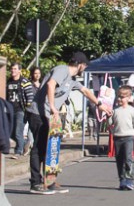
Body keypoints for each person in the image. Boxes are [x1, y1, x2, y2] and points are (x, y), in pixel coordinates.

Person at [29, 52, 110, 194]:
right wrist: (53, 106)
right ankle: (35, 183)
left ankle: (49, 181)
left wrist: (100, 105)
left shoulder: (72, 80)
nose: (84, 69)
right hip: (38, 113)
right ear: (80, 65)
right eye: (85, 66)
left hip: (50, 115)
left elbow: (85, 91)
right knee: (39, 148)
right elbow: (50, 84)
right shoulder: (62, 70)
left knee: (51, 148)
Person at [110, 86, 134, 190]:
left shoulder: (132, 110)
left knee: (128, 159)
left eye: (122, 97)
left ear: (129, 98)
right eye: (119, 96)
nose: (120, 99)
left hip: (129, 137)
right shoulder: (115, 110)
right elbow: (110, 124)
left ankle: (129, 179)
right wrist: (108, 117)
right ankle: (122, 180)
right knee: (119, 159)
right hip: (117, 137)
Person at [5, 62, 34, 159]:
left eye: (15, 69)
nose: (13, 71)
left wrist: (28, 109)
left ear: (20, 71)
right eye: (12, 69)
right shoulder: (8, 81)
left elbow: (30, 97)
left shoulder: (24, 82)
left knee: (18, 131)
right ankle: (25, 143)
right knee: (10, 132)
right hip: (9, 110)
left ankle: (18, 151)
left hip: (20, 110)